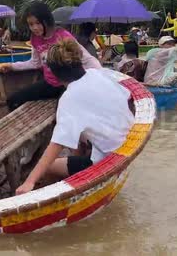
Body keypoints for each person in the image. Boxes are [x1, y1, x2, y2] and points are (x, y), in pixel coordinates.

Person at [15, 40, 134, 195]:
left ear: (54, 74)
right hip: (129, 146)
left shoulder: (69, 98)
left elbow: (56, 144)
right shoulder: (99, 73)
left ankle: (66, 196)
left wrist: (30, 181)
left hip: (109, 159)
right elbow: (127, 96)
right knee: (78, 132)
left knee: (49, 167)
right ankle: (78, 167)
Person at [0, 1, 101, 111]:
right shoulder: (35, 39)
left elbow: (87, 59)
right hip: (50, 83)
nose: (34, 28)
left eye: (38, 23)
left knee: (63, 112)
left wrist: (101, 75)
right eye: (31, 24)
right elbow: (35, 63)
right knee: (13, 100)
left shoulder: (63, 36)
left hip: (67, 84)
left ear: (47, 21)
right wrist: (12, 66)